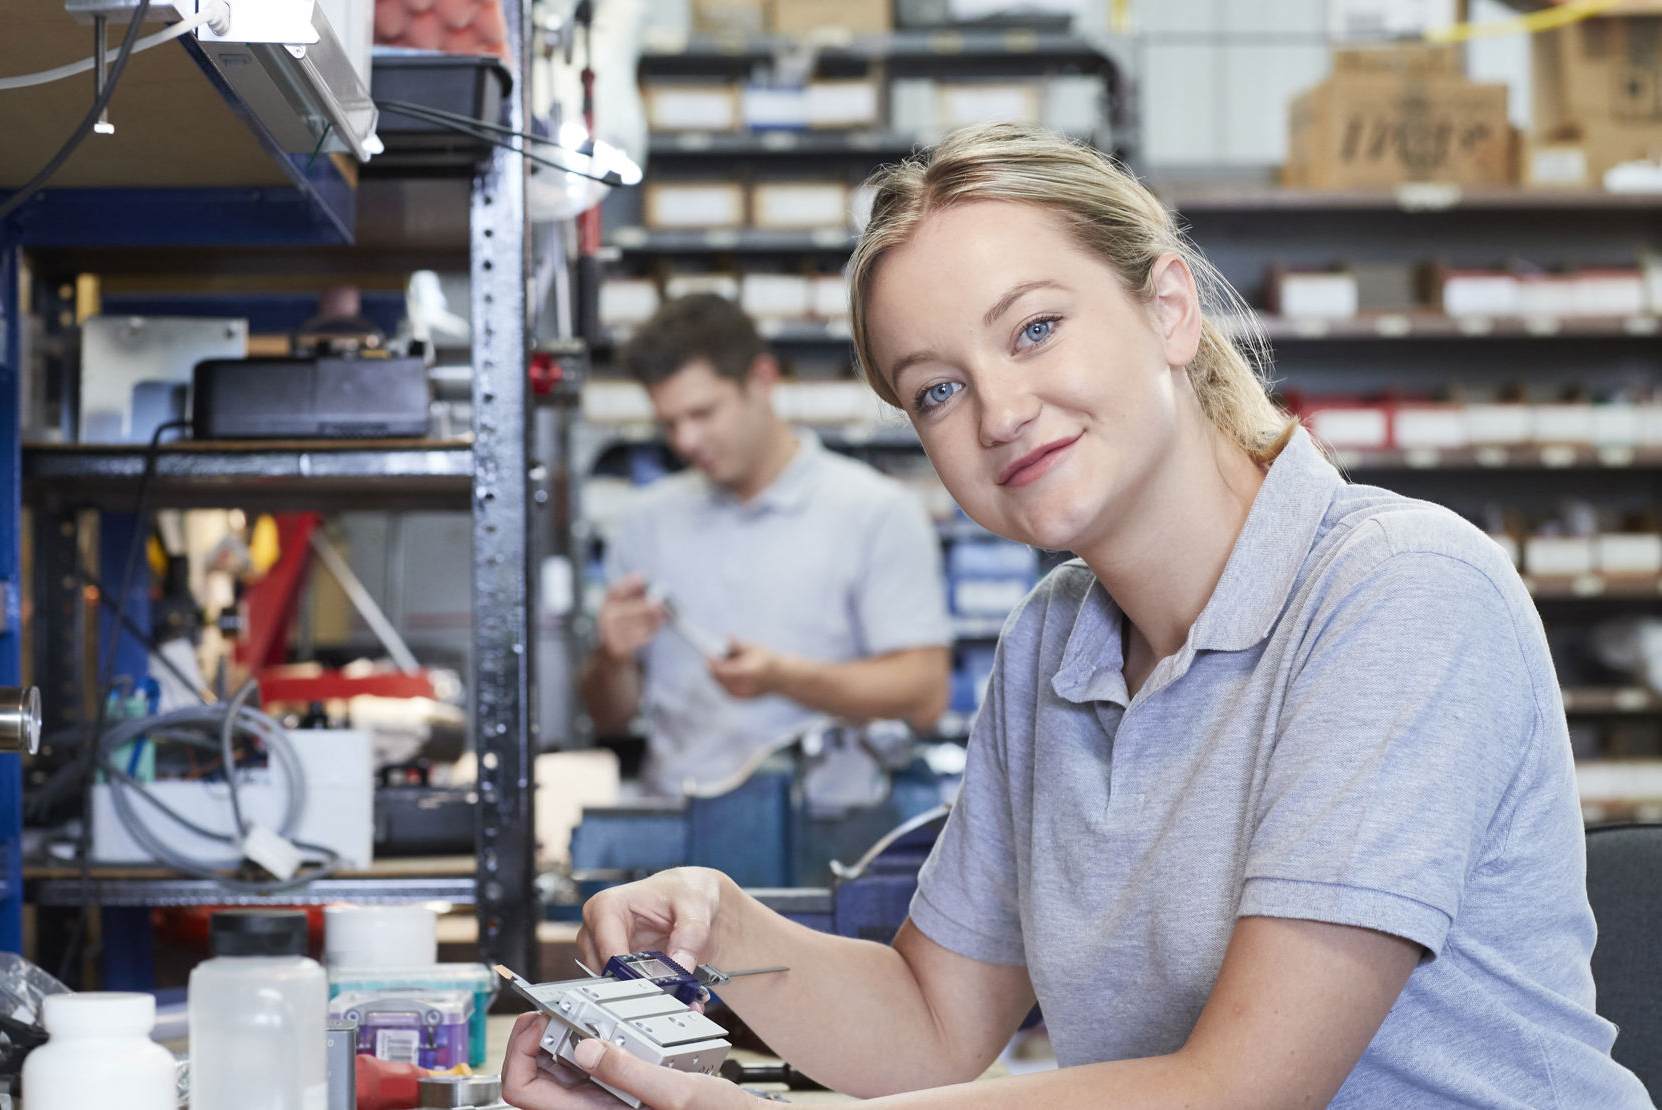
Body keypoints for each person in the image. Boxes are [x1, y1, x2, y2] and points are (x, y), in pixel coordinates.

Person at [510, 124, 1652, 1108]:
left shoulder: (1396, 593)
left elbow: (1243, 1087)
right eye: (936, 390)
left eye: (1035, 328)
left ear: (1166, 308)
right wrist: (722, 928)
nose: (998, 409)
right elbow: (930, 1026)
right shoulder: (1056, 640)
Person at [579, 293, 953, 797]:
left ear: (761, 380)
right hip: (676, 828)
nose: (686, 440)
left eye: (703, 412)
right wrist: (612, 657)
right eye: (669, 423)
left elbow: (925, 695)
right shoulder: (645, 523)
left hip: (823, 832)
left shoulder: (874, 512)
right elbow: (610, 719)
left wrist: (786, 678)